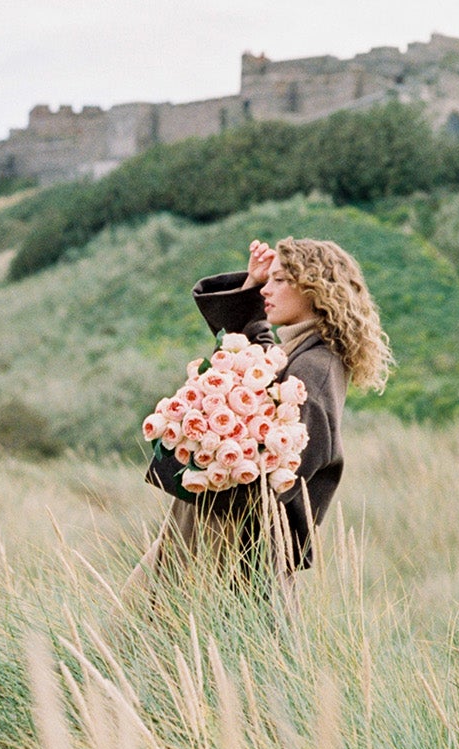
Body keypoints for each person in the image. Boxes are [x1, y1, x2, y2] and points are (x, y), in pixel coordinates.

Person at [134, 237, 392, 605]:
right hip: (219, 533)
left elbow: (285, 472)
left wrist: (215, 460)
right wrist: (251, 285)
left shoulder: (315, 367)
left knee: (167, 638)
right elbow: (254, 350)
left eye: (281, 280)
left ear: (315, 288)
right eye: (268, 281)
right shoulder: (300, 351)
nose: (267, 290)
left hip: (234, 547)